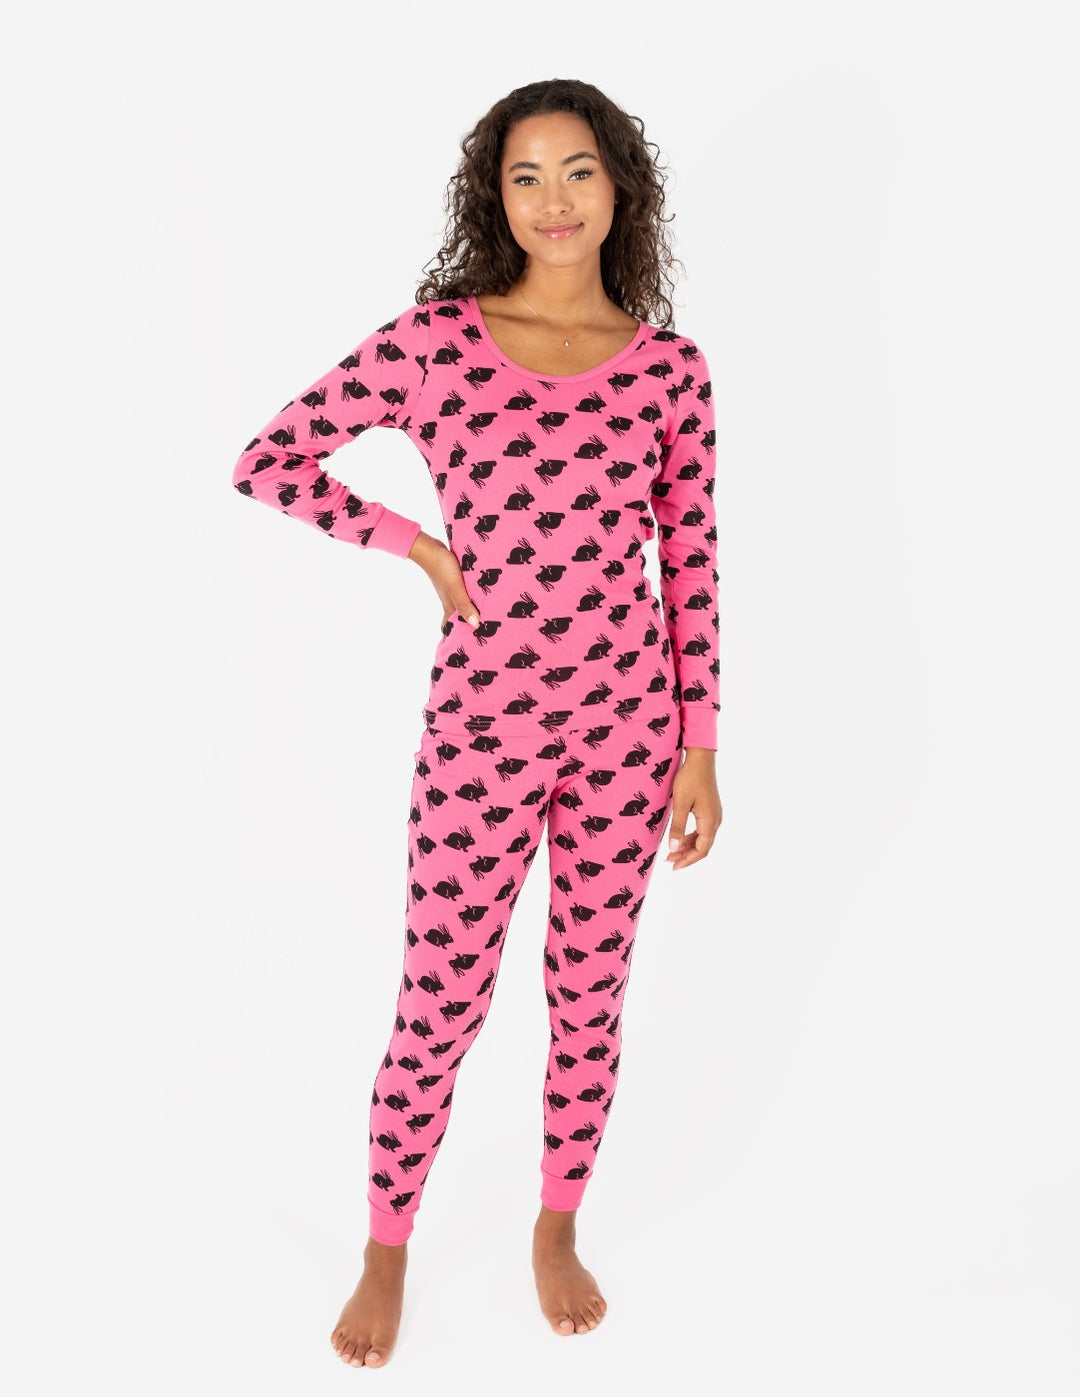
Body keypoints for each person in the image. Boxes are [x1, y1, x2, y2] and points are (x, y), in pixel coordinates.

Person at [231, 76, 723, 1367]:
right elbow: (269, 460)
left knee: (590, 995)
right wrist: (416, 545)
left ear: (620, 188)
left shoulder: (671, 370)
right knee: (440, 997)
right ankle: (386, 1244)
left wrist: (702, 746)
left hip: (631, 728)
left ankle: (557, 1226)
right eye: (526, 175)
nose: (555, 200)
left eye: (578, 171)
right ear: (493, 197)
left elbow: (694, 563)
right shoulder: (437, 343)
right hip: (483, 728)